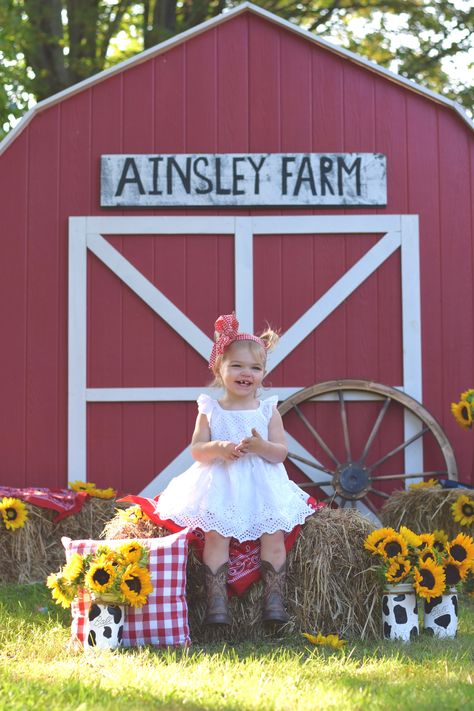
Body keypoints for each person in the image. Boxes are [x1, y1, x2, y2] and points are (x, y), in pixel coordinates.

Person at [155, 313, 316, 624]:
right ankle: (216, 607)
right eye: (238, 366)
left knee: (273, 536)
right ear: (220, 368)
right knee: (217, 537)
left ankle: (274, 604)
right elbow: (197, 450)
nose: (247, 373)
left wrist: (261, 447)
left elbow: (280, 453)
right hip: (222, 484)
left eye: (255, 368)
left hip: (262, 486)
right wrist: (220, 448)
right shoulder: (211, 410)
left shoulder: (267, 409)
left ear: (264, 373)